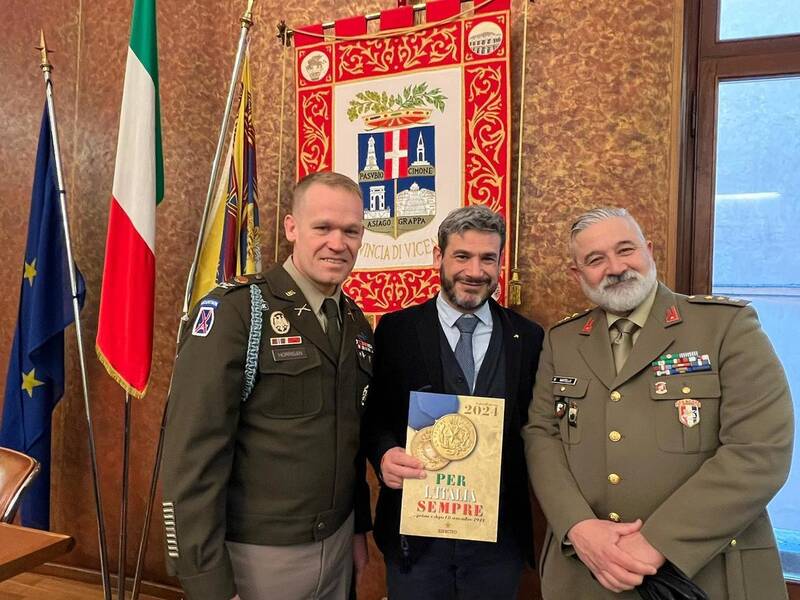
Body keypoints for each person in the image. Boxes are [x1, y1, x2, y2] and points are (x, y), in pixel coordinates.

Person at [523, 207, 793, 599]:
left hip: (706, 573)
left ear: (649, 251)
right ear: (577, 274)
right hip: (586, 573)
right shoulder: (561, 340)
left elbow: (759, 451)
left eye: (625, 250)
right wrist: (577, 525)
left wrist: (656, 541)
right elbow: (542, 436)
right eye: (595, 260)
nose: (616, 267)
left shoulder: (725, 327)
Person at [160, 171, 374, 600]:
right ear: (292, 228)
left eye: (351, 231)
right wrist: (207, 580)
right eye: (323, 227)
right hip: (259, 555)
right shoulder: (238, 312)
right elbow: (191, 455)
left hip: (336, 544)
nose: (338, 243)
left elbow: (347, 438)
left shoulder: (354, 322)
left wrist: (357, 527)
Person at [363, 205, 544, 600]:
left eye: (487, 258)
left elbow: (539, 429)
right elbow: (373, 415)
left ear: (500, 262)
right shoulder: (396, 330)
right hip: (416, 538)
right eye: (462, 256)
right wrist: (385, 454)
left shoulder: (529, 338)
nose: (474, 271)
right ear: (438, 257)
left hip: (498, 542)